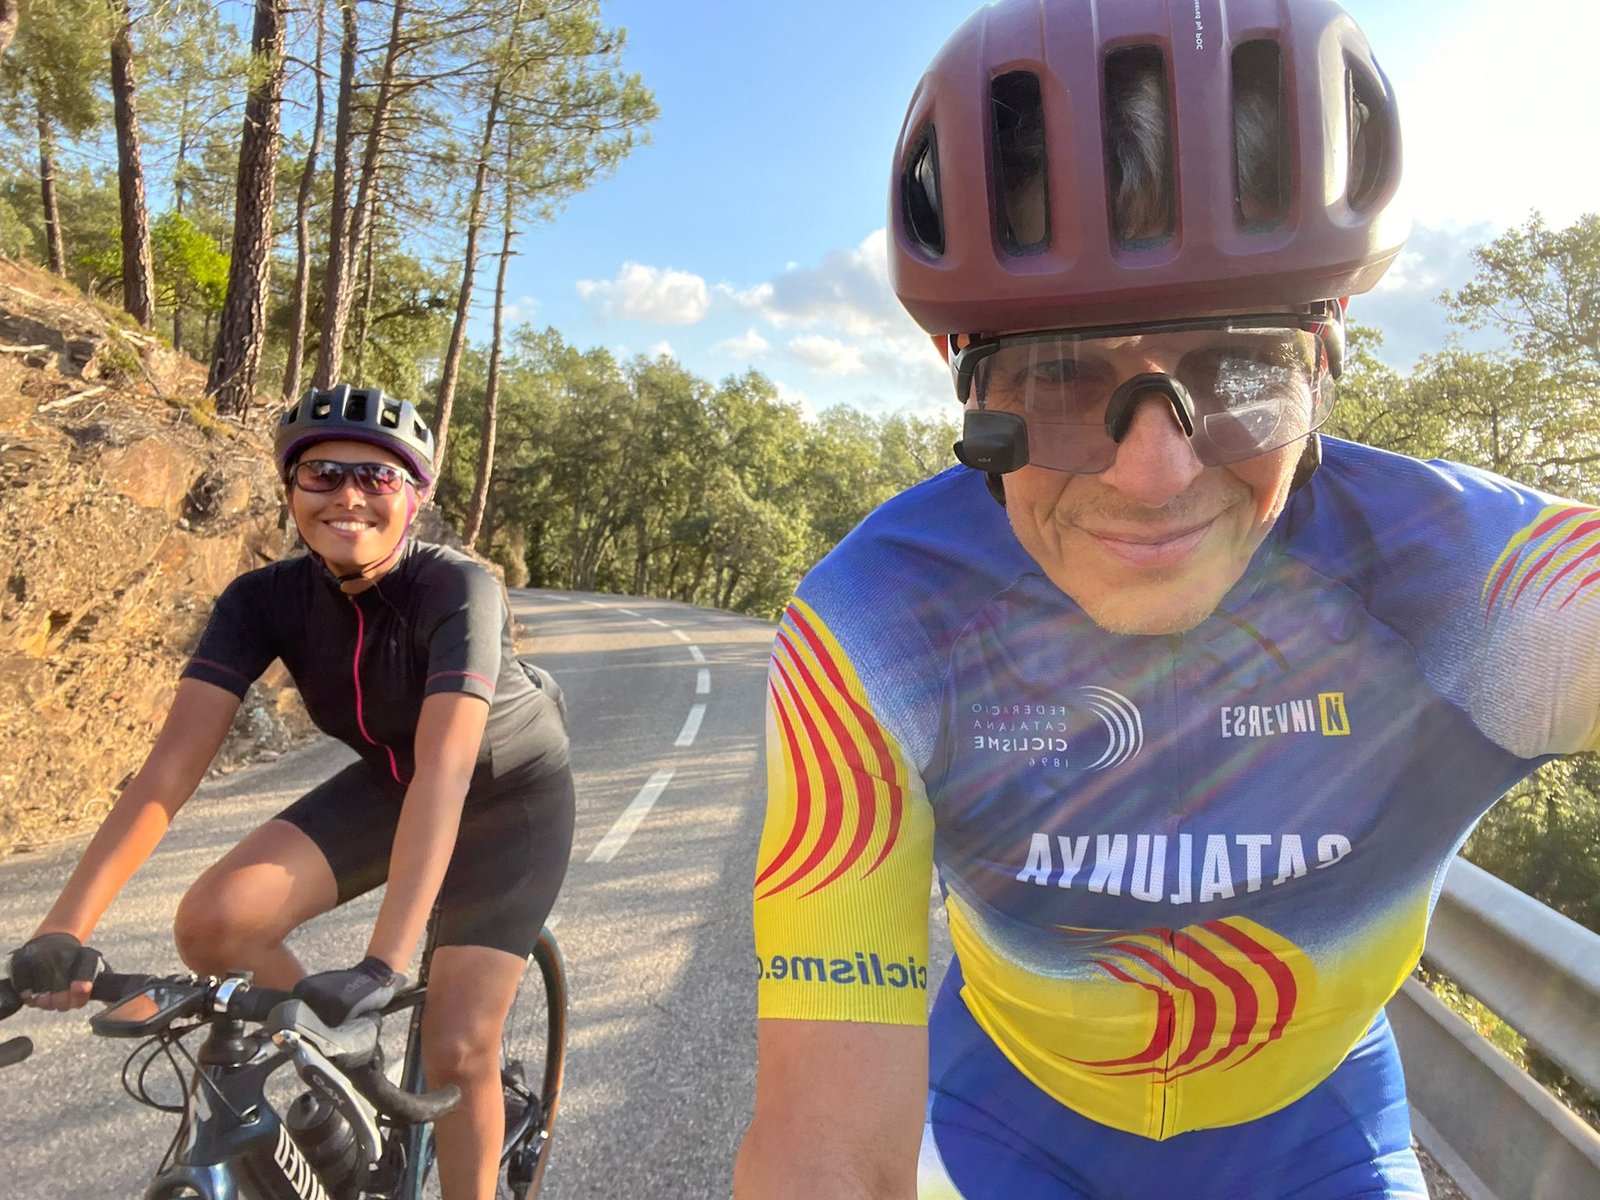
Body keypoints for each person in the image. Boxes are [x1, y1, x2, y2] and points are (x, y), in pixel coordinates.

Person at [734, 2, 1599, 1198]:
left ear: (1327, 350)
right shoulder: (874, 628)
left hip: (1317, 1122)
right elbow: (824, 1152)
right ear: (959, 374)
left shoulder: (1486, 589)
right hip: (1002, 1114)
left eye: (1240, 371)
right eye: (1055, 378)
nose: (1154, 478)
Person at [7, 383, 575, 1200]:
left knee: (457, 1049)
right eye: (322, 473)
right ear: (289, 490)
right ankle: (339, 1082)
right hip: (394, 782)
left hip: (505, 799)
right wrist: (64, 929)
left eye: (377, 478)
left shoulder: (458, 590)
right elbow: (168, 772)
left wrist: (379, 969)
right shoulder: (259, 601)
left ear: (412, 498)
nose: (348, 495)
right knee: (214, 925)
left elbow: (447, 773)